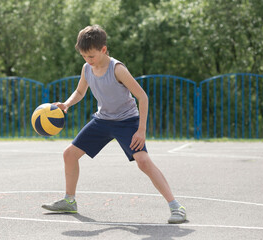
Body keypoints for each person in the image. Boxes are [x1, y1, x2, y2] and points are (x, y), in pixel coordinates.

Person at [42, 25, 186, 224]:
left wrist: (141, 130)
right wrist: (66, 104)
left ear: (103, 49)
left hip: (127, 122)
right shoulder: (87, 69)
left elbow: (142, 97)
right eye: (84, 56)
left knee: (143, 162)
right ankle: (69, 201)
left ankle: (176, 206)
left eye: (91, 56)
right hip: (103, 120)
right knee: (69, 154)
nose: (87, 60)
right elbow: (80, 92)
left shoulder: (118, 69)